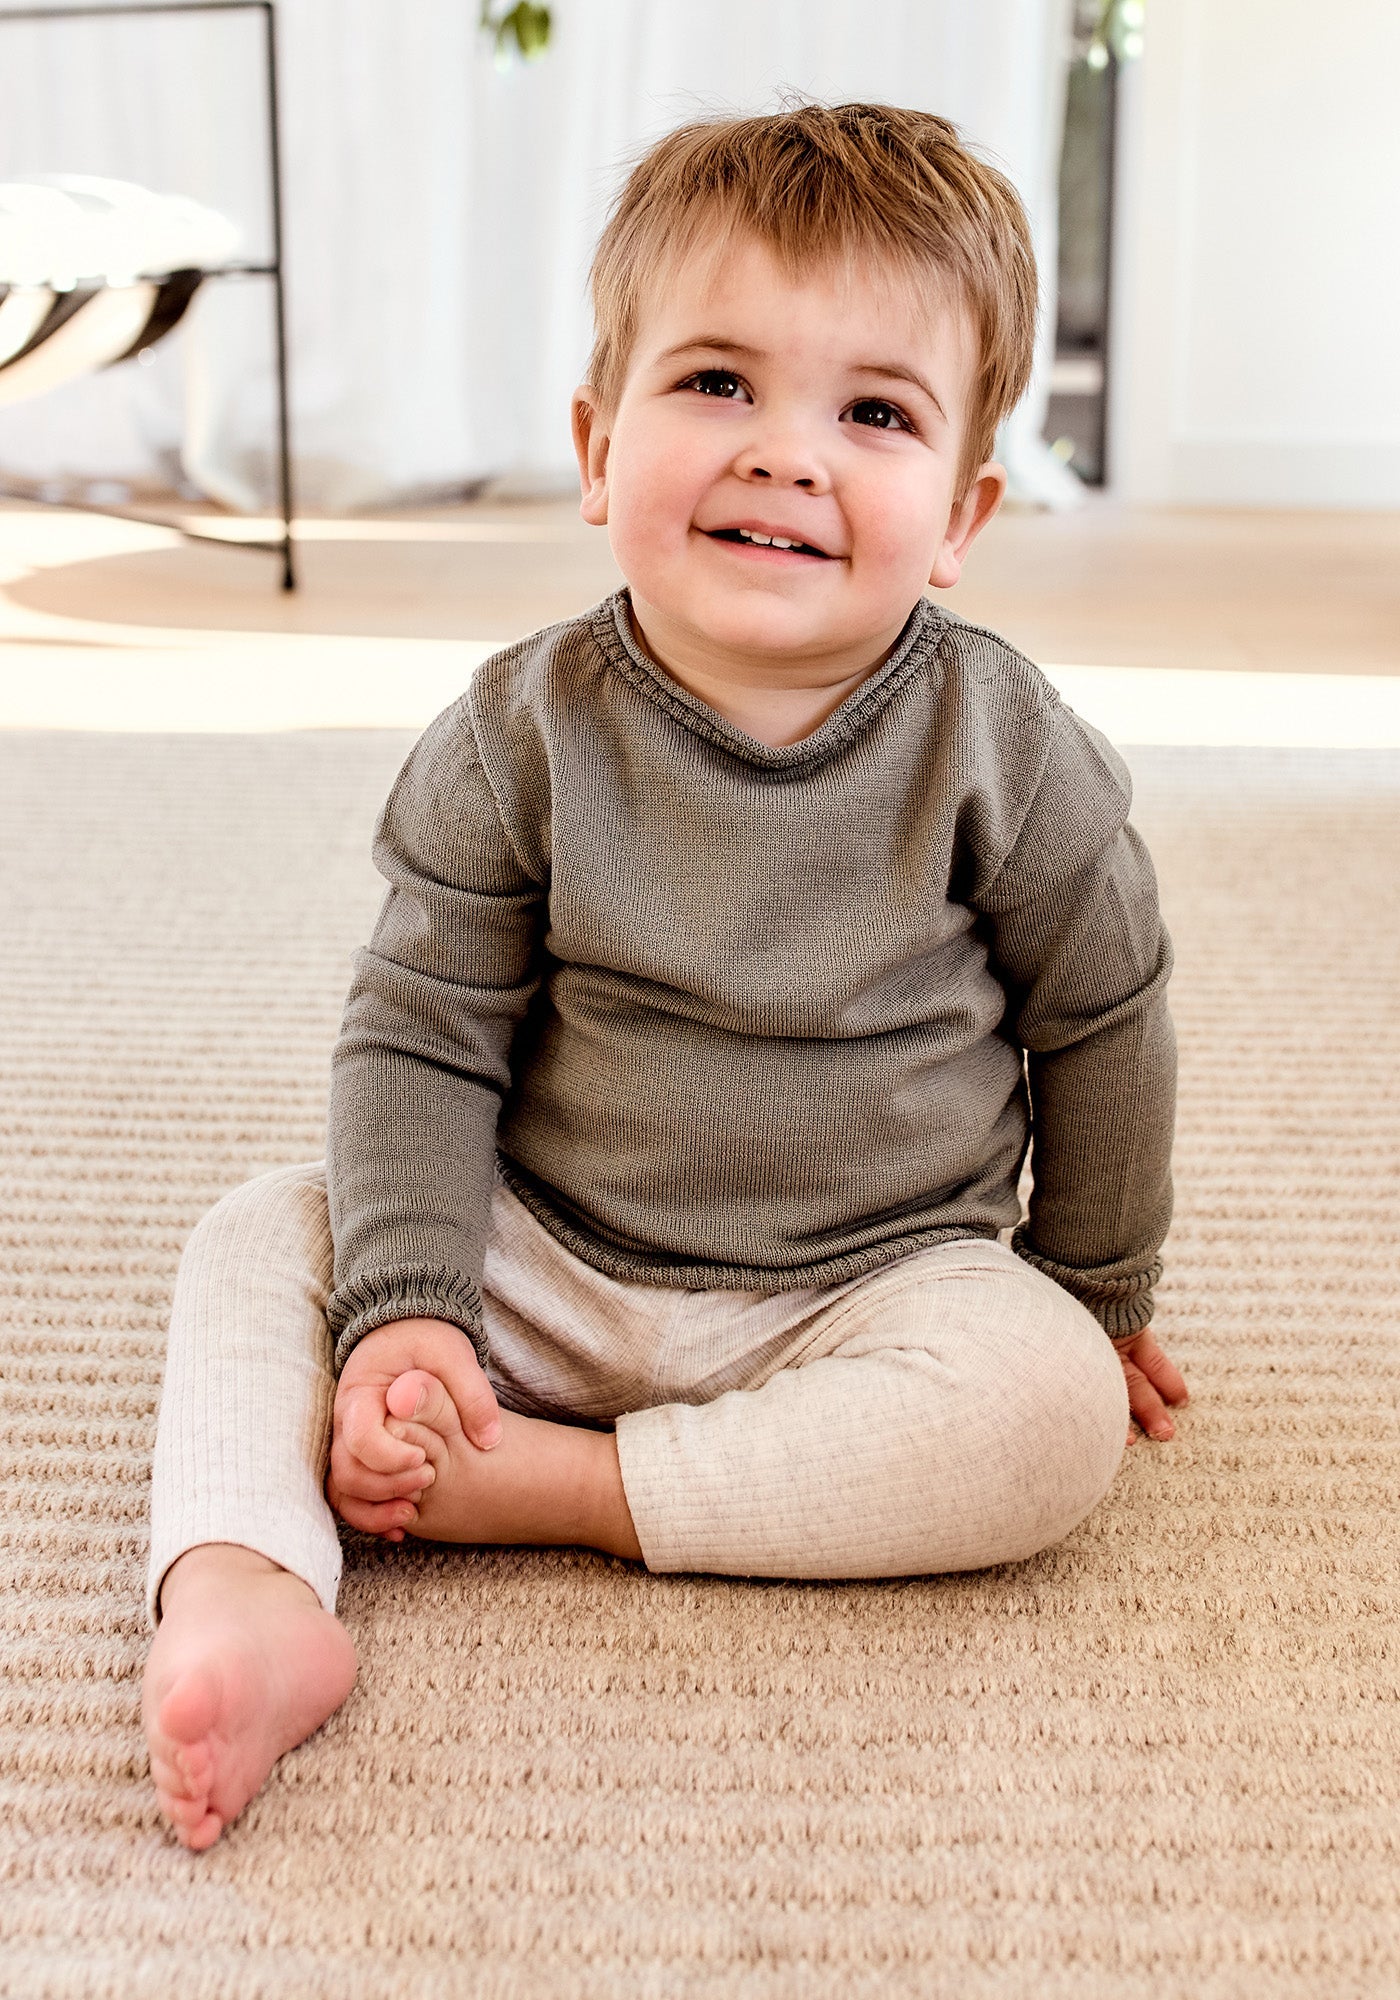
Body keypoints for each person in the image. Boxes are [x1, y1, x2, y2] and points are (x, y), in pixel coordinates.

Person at [141, 101, 1188, 1852]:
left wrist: (1097, 1277)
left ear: (961, 515)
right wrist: (412, 1304)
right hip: (546, 1260)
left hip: (861, 1284)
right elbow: (419, 1035)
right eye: (717, 383)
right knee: (265, 1234)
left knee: (1049, 1407)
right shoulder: (518, 733)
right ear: (596, 445)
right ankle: (245, 1588)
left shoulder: (1008, 746)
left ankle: (562, 1490)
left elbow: (1106, 1015)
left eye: (873, 414)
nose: (785, 455)